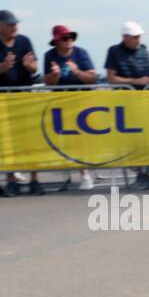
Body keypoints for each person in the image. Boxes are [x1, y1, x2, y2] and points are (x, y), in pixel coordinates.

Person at [0, 10, 44, 195]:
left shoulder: (24, 41)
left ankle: (34, 180)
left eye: (15, 23)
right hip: (1, 98)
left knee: (30, 140)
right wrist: (4, 66)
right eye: (10, 24)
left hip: (24, 96)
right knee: (7, 141)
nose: (14, 27)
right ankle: (11, 180)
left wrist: (28, 66)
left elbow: (34, 67)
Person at [104, 20, 149, 190]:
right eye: (135, 37)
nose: (138, 40)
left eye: (139, 37)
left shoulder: (144, 51)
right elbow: (111, 77)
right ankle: (138, 169)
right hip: (123, 102)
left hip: (143, 101)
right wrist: (134, 81)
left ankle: (144, 174)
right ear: (125, 37)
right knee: (126, 140)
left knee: (144, 139)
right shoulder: (114, 51)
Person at [43, 25, 98, 191]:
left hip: (81, 102)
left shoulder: (81, 53)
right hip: (61, 102)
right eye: (65, 38)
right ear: (57, 42)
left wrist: (77, 72)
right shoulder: (49, 56)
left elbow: (93, 77)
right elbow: (48, 81)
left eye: (71, 37)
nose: (69, 41)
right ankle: (70, 173)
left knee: (80, 139)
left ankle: (85, 174)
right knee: (65, 139)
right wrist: (55, 75)